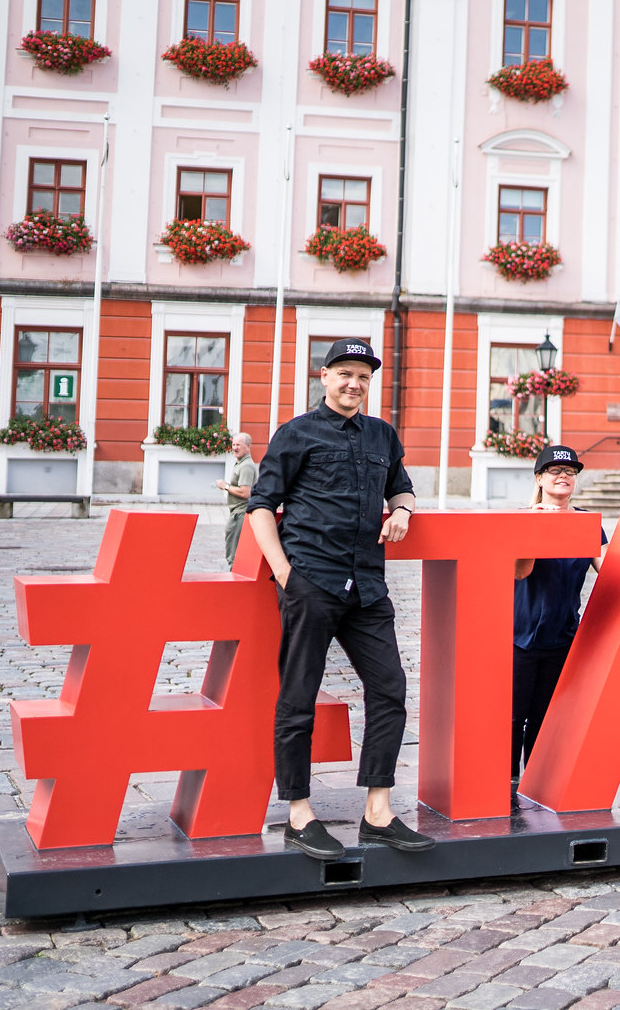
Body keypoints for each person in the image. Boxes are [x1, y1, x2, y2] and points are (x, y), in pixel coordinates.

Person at [245, 338, 433, 859]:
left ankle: (378, 813)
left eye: (364, 376)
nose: (354, 383)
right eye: (345, 373)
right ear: (323, 376)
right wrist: (286, 574)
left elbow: (402, 486)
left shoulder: (382, 435)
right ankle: (300, 816)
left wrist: (403, 511)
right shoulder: (296, 433)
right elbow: (261, 505)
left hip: (368, 586)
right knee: (298, 696)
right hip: (313, 581)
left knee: (390, 688)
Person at [512, 445, 605, 783]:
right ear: (539, 478)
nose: (563, 476)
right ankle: (505, 786)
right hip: (520, 638)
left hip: (563, 638)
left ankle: (536, 783)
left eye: (570, 472)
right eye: (554, 471)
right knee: (513, 719)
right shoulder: (524, 517)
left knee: (546, 719)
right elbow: (520, 571)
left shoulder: (587, 524)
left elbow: (609, 568)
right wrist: (537, 528)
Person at [217, 431, 257, 566]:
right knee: (232, 547)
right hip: (237, 512)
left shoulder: (246, 466)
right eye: (233, 444)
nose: (235, 448)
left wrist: (226, 486)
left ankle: (232, 578)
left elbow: (245, 492)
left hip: (240, 513)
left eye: (238, 445)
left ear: (248, 446)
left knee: (233, 552)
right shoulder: (241, 463)